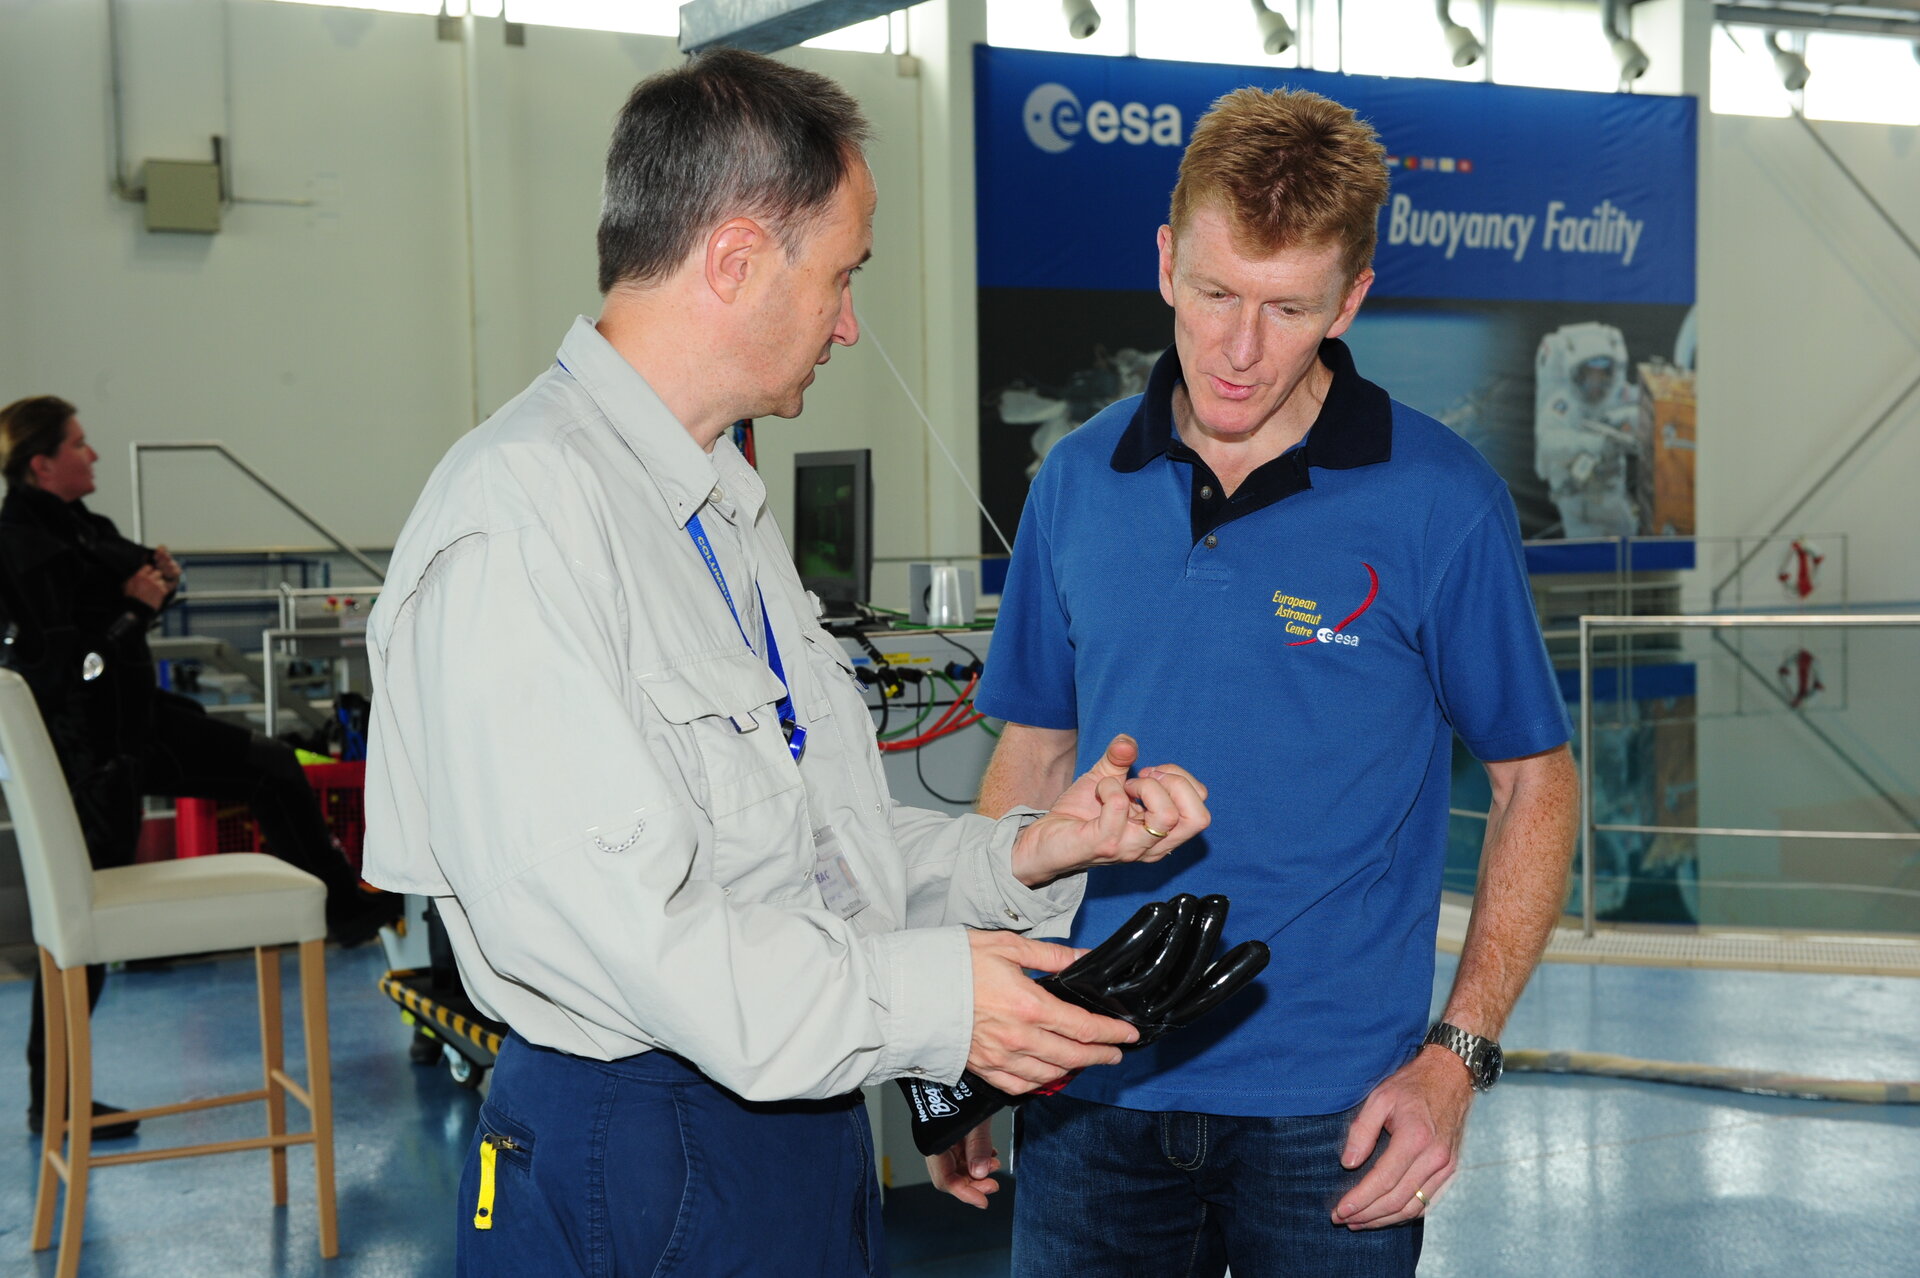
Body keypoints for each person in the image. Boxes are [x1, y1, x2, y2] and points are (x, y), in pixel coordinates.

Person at [359, 48, 1210, 1278]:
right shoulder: (524, 519)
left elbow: (810, 861)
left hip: (786, 1129)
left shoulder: (716, 513)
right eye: (842, 275)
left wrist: (1027, 849)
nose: (850, 321)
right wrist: (943, 1008)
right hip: (643, 1151)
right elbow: (635, 940)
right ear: (738, 260)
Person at [941, 88, 1579, 1277]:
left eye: (1287, 309)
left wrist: (1460, 1057)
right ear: (1166, 260)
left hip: (1334, 1113)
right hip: (1085, 1083)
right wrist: (975, 1041)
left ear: (1351, 299)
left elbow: (1537, 782)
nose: (1240, 349)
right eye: (1217, 294)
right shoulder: (1075, 484)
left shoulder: (1440, 501)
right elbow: (1030, 763)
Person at [0, 395, 402, 1140]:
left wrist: (155, 579)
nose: (93, 454)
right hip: (96, 756)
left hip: (134, 725)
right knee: (75, 940)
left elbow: (126, 577)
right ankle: (50, 1099)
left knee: (272, 764)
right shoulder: (22, 544)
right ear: (41, 463)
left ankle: (341, 906)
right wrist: (136, 611)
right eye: (80, 445)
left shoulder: (79, 528)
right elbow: (69, 666)